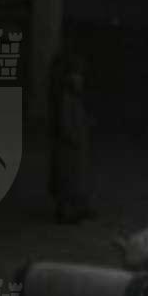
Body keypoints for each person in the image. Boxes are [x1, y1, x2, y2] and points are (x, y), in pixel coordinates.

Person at [49, 50, 95, 224]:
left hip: (76, 145)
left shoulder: (73, 96)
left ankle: (77, 207)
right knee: (67, 179)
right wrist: (73, 137)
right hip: (68, 146)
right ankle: (65, 211)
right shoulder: (65, 97)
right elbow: (65, 122)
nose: (80, 79)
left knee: (77, 178)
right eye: (77, 75)